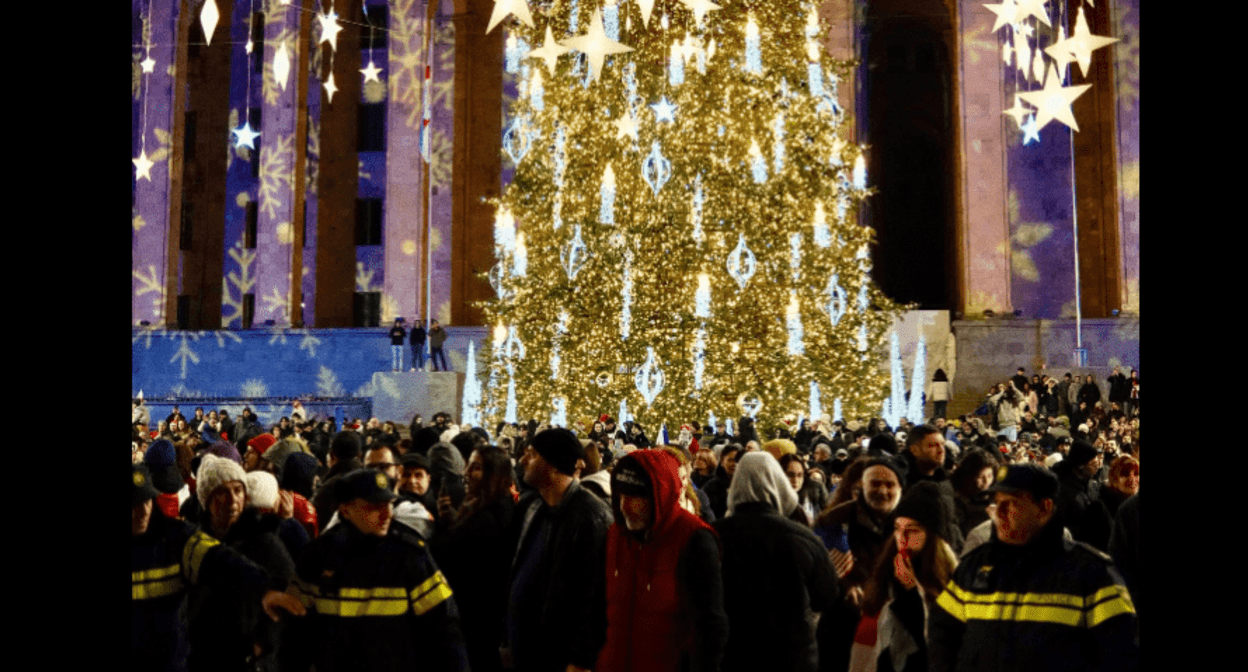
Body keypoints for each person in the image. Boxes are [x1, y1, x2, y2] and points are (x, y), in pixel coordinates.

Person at [928, 463, 1138, 671]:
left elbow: (1121, 653)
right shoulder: (974, 567)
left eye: (1011, 503)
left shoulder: (1092, 574)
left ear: (1044, 508)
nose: (999, 513)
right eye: (996, 502)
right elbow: (942, 632)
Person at [282, 469, 471, 671]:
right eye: (374, 507)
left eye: (389, 505)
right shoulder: (318, 557)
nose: (387, 514)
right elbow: (295, 634)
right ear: (345, 510)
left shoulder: (410, 556)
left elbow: (445, 632)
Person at [133, 463, 306, 672]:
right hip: (199, 656)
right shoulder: (194, 535)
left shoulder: (264, 544)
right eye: (222, 492)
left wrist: (262, 640)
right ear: (207, 499)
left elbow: (228, 564)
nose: (233, 500)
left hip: (240, 660)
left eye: (238, 490)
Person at [595, 450, 729, 672]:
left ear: (660, 494)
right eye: (620, 497)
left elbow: (710, 627)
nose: (624, 507)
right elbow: (596, 604)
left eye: (635, 498)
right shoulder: (615, 535)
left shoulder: (694, 539)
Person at [715, 452, 839, 672]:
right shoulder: (803, 537)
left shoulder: (714, 536)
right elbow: (826, 596)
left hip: (732, 655)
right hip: (792, 657)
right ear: (778, 484)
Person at [502, 428, 612, 672]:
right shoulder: (533, 507)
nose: (522, 460)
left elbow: (593, 596)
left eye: (531, 454)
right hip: (526, 651)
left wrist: (580, 659)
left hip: (558, 657)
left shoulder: (590, 516)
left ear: (552, 463)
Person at [854, 482, 960, 672]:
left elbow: (935, 648)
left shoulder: (955, 586)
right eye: (897, 528)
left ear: (933, 536)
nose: (901, 538)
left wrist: (912, 592)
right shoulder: (884, 577)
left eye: (912, 530)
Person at [430, 446, 517, 672]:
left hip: (479, 623)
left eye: (476, 467)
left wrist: (442, 527)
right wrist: (451, 519)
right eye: (468, 465)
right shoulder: (483, 506)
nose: (466, 473)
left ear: (494, 474)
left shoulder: (491, 518)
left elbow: (446, 553)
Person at [780, 453, 830, 526]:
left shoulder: (814, 492)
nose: (795, 480)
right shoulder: (775, 501)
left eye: (800, 475)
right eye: (790, 475)